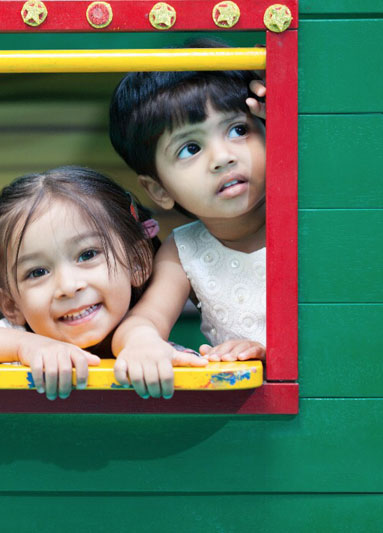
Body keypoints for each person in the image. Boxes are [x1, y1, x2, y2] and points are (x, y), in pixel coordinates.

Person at [0, 166, 205, 398]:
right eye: (38, 272)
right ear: (11, 306)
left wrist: (144, 344)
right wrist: (27, 346)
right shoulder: (20, 344)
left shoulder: (152, 348)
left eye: (87, 255)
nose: (68, 286)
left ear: (137, 263)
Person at [107, 41, 268, 399]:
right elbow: (144, 320)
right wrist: (143, 342)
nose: (222, 157)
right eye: (190, 148)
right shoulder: (184, 250)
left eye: (238, 130)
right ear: (159, 190)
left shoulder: (312, 211)